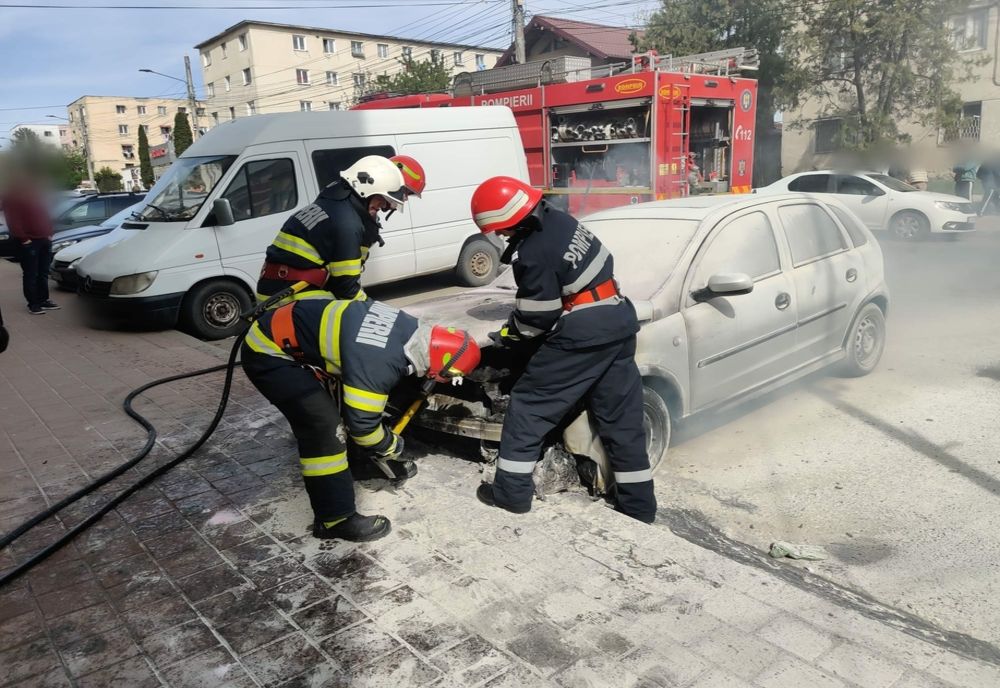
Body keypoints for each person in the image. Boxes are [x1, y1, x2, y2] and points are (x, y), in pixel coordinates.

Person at [469, 176, 657, 524]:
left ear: (511, 220)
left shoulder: (533, 252)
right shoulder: (561, 220)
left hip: (584, 333)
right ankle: (639, 507)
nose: (503, 236)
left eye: (501, 230)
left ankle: (510, 495)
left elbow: (537, 318)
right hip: (618, 319)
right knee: (622, 421)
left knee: (529, 408)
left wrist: (507, 336)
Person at [241, 297, 480, 540]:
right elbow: (363, 428)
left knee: (350, 406)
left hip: (288, 334)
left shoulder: (411, 328)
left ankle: (359, 466)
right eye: (448, 375)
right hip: (268, 353)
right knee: (324, 429)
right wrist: (391, 446)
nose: (443, 380)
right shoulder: (379, 363)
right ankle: (334, 519)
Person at [256, 155, 417, 306]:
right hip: (290, 298)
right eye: (381, 198)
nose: (384, 205)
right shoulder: (347, 223)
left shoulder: (333, 201)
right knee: (353, 316)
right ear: (366, 190)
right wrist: (371, 310)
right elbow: (347, 291)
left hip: (276, 290)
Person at [2, 172, 59, 314]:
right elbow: (12, 220)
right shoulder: (12, 197)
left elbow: (45, 215)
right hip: (29, 242)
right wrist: (24, 239)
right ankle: (33, 304)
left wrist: (49, 233)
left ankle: (43, 300)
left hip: (44, 239)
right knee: (31, 274)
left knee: (43, 273)